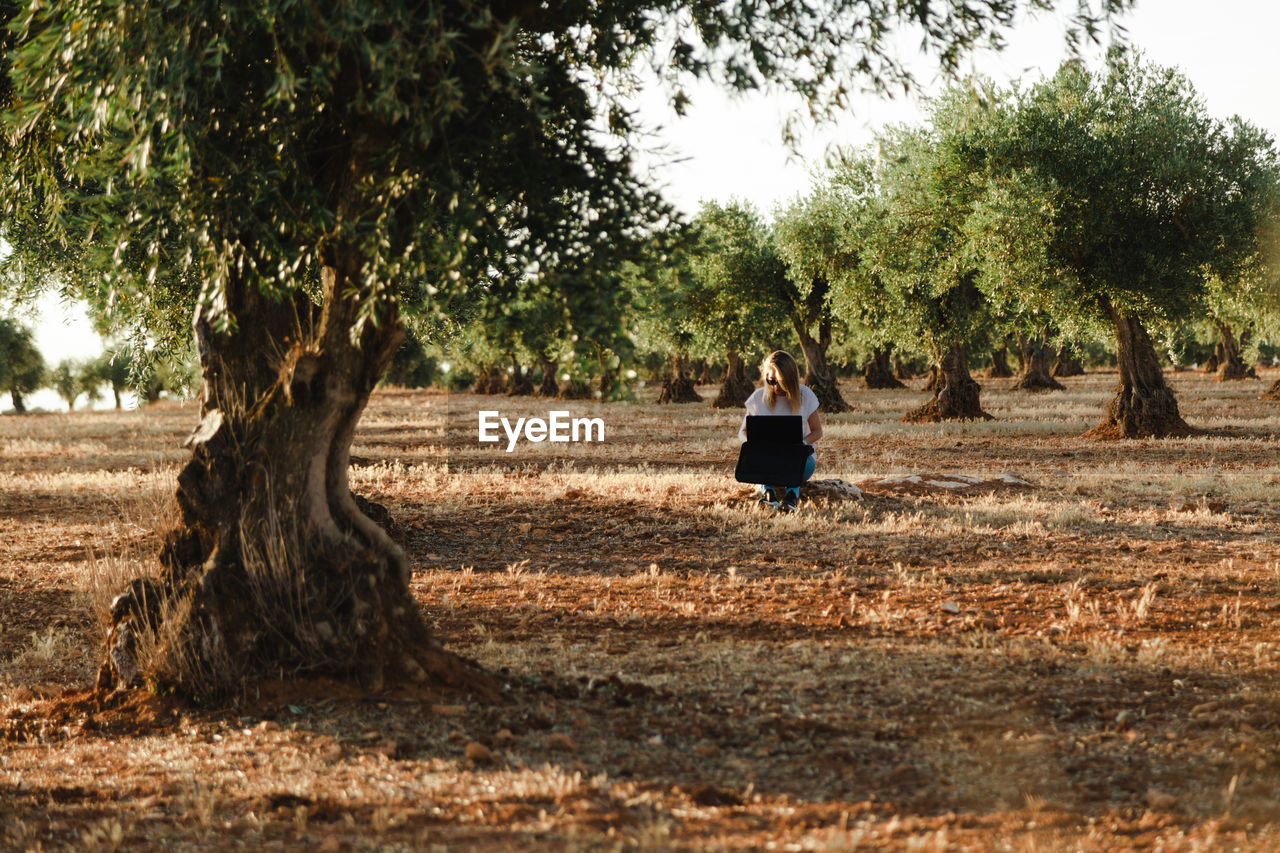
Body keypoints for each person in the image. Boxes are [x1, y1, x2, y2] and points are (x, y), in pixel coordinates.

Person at [738, 351, 822, 512]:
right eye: (771, 381)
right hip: (768, 458)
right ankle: (768, 494)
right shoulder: (757, 398)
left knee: (794, 458)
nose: (775, 387)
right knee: (758, 459)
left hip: (799, 460)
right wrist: (754, 444)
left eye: (781, 382)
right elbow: (743, 432)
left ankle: (791, 497)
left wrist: (802, 444)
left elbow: (818, 432)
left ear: (790, 379)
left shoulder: (806, 395)